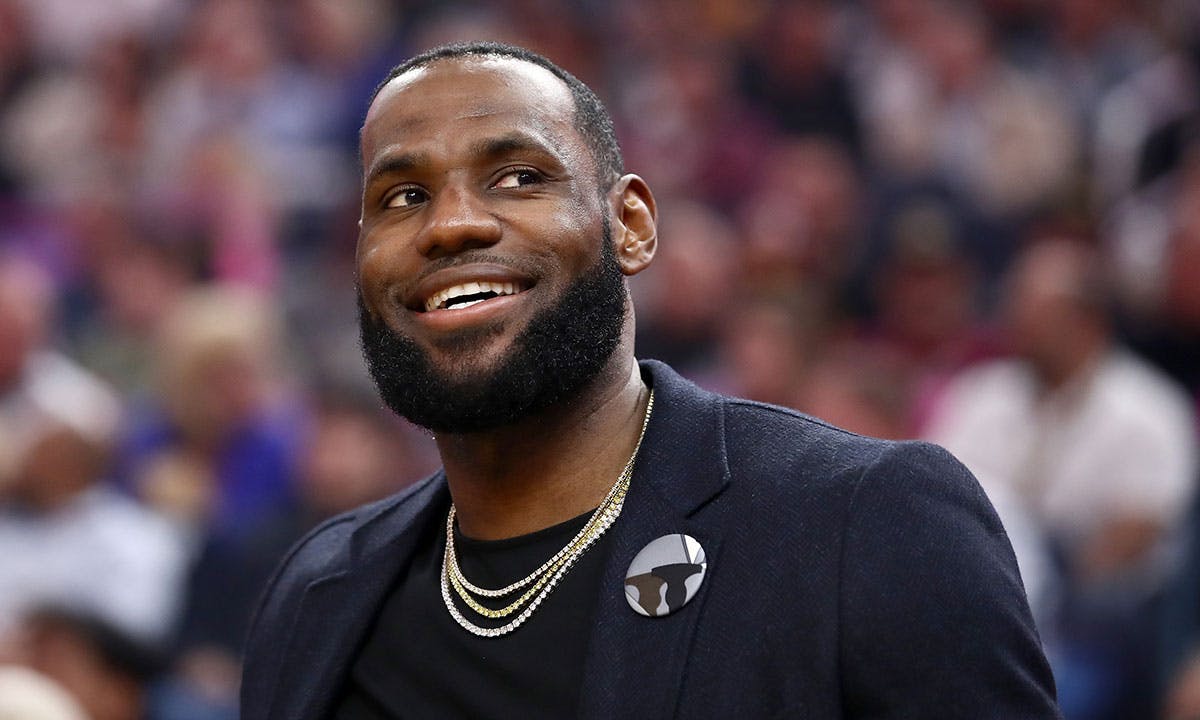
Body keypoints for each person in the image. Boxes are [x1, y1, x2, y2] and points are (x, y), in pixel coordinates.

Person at [241, 41, 1061, 719]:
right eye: (402, 195)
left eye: (520, 176)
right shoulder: (316, 593)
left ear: (629, 225)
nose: (451, 224)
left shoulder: (867, 523)